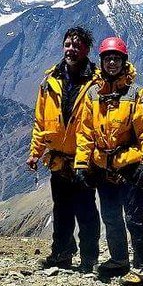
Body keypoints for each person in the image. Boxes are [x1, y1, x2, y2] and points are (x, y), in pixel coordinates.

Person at [74, 36, 143, 286]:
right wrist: (81, 164)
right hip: (103, 166)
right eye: (107, 58)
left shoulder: (137, 94)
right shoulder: (92, 95)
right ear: (101, 62)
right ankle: (119, 260)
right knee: (111, 216)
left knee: (134, 217)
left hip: (130, 165)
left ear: (124, 62)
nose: (112, 62)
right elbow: (85, 133)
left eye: (117, 58)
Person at [27, 26, 101, 272]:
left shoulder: (97, 82)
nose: (71, 49)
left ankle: (90, 258)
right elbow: (41, 121)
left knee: (86, 211)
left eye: (77, 45)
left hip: (85, 160)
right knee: (62, 210)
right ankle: (62, 253)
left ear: (87, 50)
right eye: (68, 44)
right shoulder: (50, 81)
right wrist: (35, 152)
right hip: (58, 160)